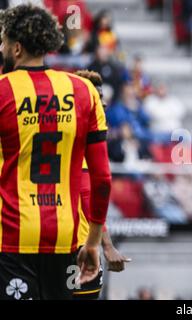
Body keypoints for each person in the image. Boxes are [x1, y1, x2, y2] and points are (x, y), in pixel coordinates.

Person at [0, 4, 111, 299]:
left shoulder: (2, 91)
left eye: (3, 41)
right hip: (67, 237)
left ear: (17, 48)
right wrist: (94, 241)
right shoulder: (84, 91)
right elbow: (101, 179)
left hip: (12, 238)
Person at [72, 70, 131, 300]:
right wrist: (106, 246)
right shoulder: (78, 145)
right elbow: (88, 198)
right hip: (77, 248)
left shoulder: (86, 142)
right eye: (97, 98)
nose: (104, 104)